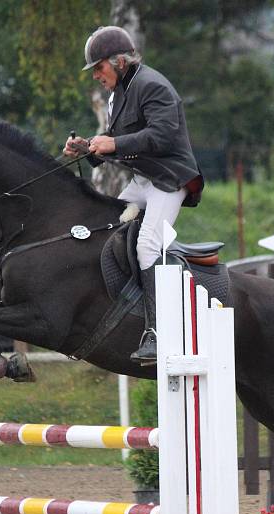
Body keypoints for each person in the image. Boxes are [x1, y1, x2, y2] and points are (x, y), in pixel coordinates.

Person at [63, 25, 203, 365]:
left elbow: (162, 136)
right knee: (106, 224)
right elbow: (116, 141)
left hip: (169, 180)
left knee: (147, 245)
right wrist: (89, 148)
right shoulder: (119, 92)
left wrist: (113, 143)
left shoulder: (153, 85)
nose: (96, 75)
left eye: (99, 67)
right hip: (144, 179)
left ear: (120, 61)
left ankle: (157, 333)